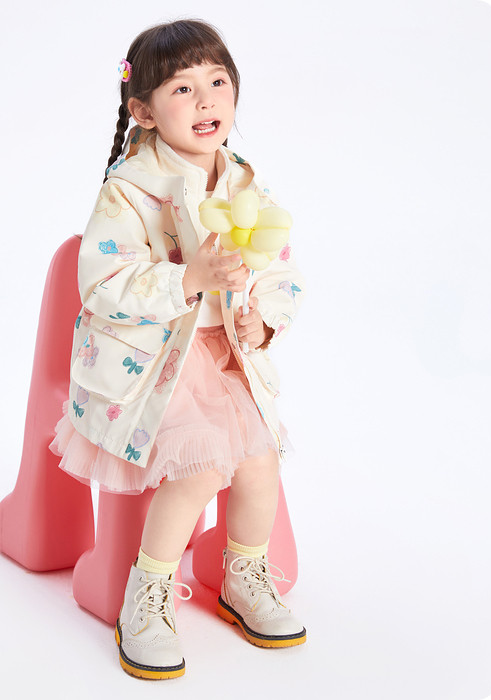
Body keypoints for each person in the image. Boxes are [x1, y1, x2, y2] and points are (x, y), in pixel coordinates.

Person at [49, 18, 306, 680]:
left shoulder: (244, 183)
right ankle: (149, 594)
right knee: (199, 469)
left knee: (259, 463)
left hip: (224, 355)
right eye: (183, 89)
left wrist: (265, 321)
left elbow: (278, 266)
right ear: (144, 111)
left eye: (217, 82)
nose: (206, 100)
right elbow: (100, 282)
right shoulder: (131, 188)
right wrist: (188, 279)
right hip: (154, 359)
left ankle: (244, 574)